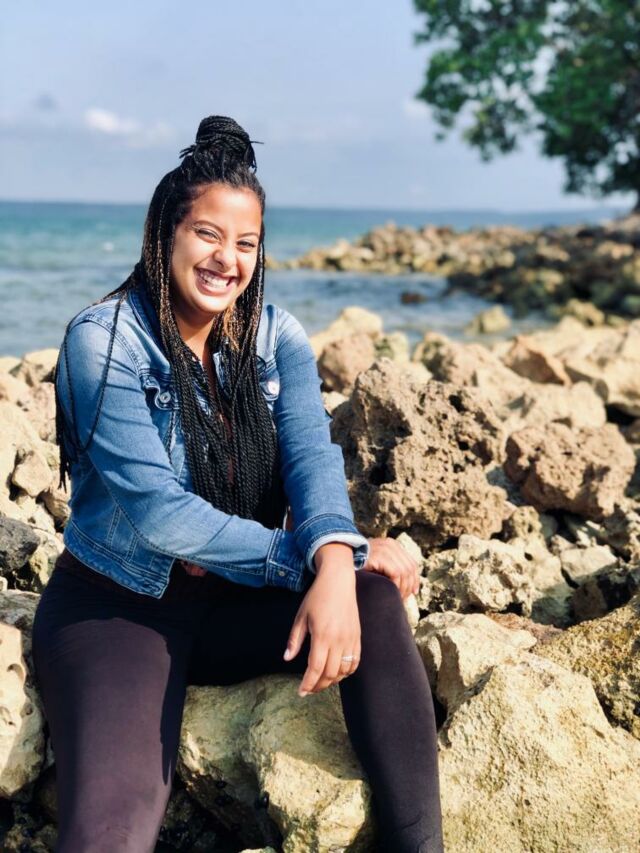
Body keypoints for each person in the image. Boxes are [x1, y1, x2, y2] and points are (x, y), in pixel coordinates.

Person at [31, 115, 444, 853]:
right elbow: (160, 514)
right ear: (166, 234)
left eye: (246, 242)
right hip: (121, 610)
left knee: (371, 599)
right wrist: (313, 559)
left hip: (233, 601)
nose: (227, 259)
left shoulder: (275, 336)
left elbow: (312, 458)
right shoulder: (104, 339)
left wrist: (336, 559)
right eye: (207, 234)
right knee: (114, 831)